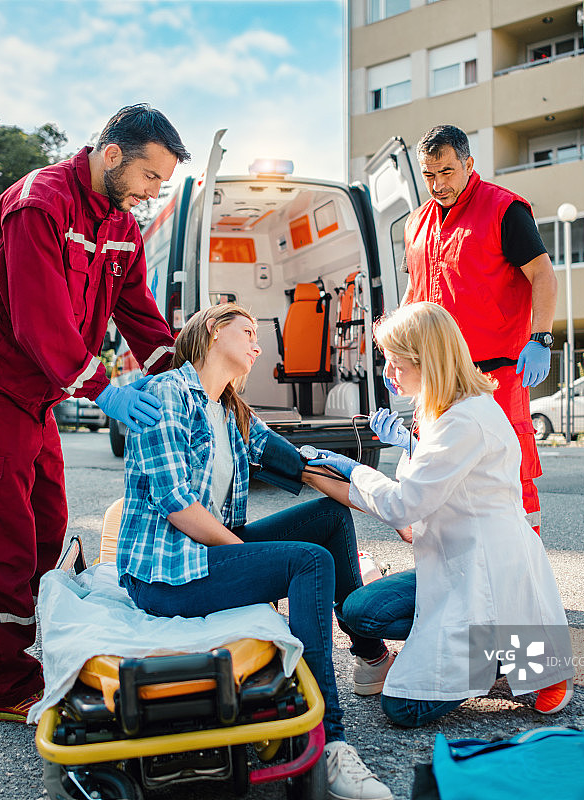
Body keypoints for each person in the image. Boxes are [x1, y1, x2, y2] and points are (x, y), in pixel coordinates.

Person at [0, 104, 190, 722]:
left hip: (37, 397)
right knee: (3, 540)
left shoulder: (120, 227)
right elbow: (37, 321)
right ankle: (7, 685)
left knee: (48, 529)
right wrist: (103, 388)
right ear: (112, 156)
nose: (155, 193)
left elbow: (139, 313)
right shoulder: (37, 206)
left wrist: (181, 376)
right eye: (151, 177)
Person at [117, 303, 392, 800]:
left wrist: (396, 509)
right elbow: (179, 507)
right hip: (166, 575)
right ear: (210, 331)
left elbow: (305, 469)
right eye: (246, 331)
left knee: (328, 520)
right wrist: (250, 558)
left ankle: (369, 653)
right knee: (309, 561)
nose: (257, 343)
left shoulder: (232, 412)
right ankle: (327, 742)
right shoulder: (165, 396)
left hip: (207, 556)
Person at [307, 302, 574, 726]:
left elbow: (401, 504)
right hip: (450, 564)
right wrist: (327, 473)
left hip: (485, 573)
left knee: (403, 708)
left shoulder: (463, 419)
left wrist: (353, 469)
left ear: (426, 361)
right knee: (360, 611)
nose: (388, 375)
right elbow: (411, 494)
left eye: (394, 364)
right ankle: (490, 657)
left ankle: (517, 662)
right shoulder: (440, 409)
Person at [400, 124, 558, 534]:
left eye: (447, 172)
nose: (437, 184)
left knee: (506, 474)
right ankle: (450, 573)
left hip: (495, 376)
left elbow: (542, 274)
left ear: (469, 164)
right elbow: (413, 293)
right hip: (435, 376)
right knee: (437, 471)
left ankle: (524, 574)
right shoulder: (415, 224)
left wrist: (541, 338)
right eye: (429, 175)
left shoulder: (505, 210)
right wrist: (398, 353)